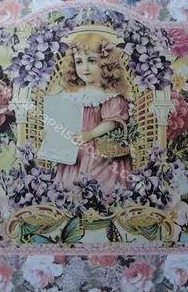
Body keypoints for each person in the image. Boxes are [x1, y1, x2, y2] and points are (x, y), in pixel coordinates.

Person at [49, 31, 132, 195]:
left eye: (92, 61)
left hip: (100, 147)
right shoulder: (73, 94)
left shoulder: (109, 96)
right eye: (79, 62)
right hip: (73, 147)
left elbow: (111, 122)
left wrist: (91, 134)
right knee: (69, 172)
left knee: (97, 172)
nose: (85, 68)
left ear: (105, 64)